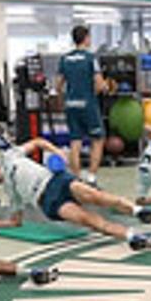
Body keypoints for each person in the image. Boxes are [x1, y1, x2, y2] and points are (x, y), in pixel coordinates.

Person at [0, 136, 151, 249]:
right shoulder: (9, 191)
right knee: (89, 220)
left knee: (96, 197)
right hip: (47, 202)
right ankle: (133, 237)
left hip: (56, 180)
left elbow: (38, 142)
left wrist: (58, 153)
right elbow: (16, 221)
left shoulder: (9, 156)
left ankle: (139, 212)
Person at [57, 25, 108, 184]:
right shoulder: (90, 58)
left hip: (71, 104)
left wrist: (64, 99)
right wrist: (103, 88)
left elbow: (58, 86)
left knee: (75, 141)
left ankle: (76, 178)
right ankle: (91, 177)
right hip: (88, 104)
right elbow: (99, 85)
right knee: (98, 139)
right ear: (86, 38)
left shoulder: (64, 59)